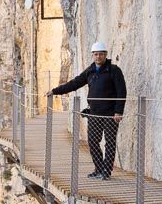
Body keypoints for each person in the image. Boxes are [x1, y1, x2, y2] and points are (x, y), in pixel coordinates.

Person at [49, 42, 126, 179]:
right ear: (92, 55)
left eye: (101, 54)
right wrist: (55, 91)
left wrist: (118, 112)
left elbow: (121, 91)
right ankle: (99, 169)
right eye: (96, 54)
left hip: (110, 114)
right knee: (92, 141)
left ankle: (106, 172)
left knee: (110, 142)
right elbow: (75, 83)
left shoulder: (114, 70)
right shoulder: (90, 71)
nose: (98, 57)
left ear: (105, 55)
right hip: (94, 113)